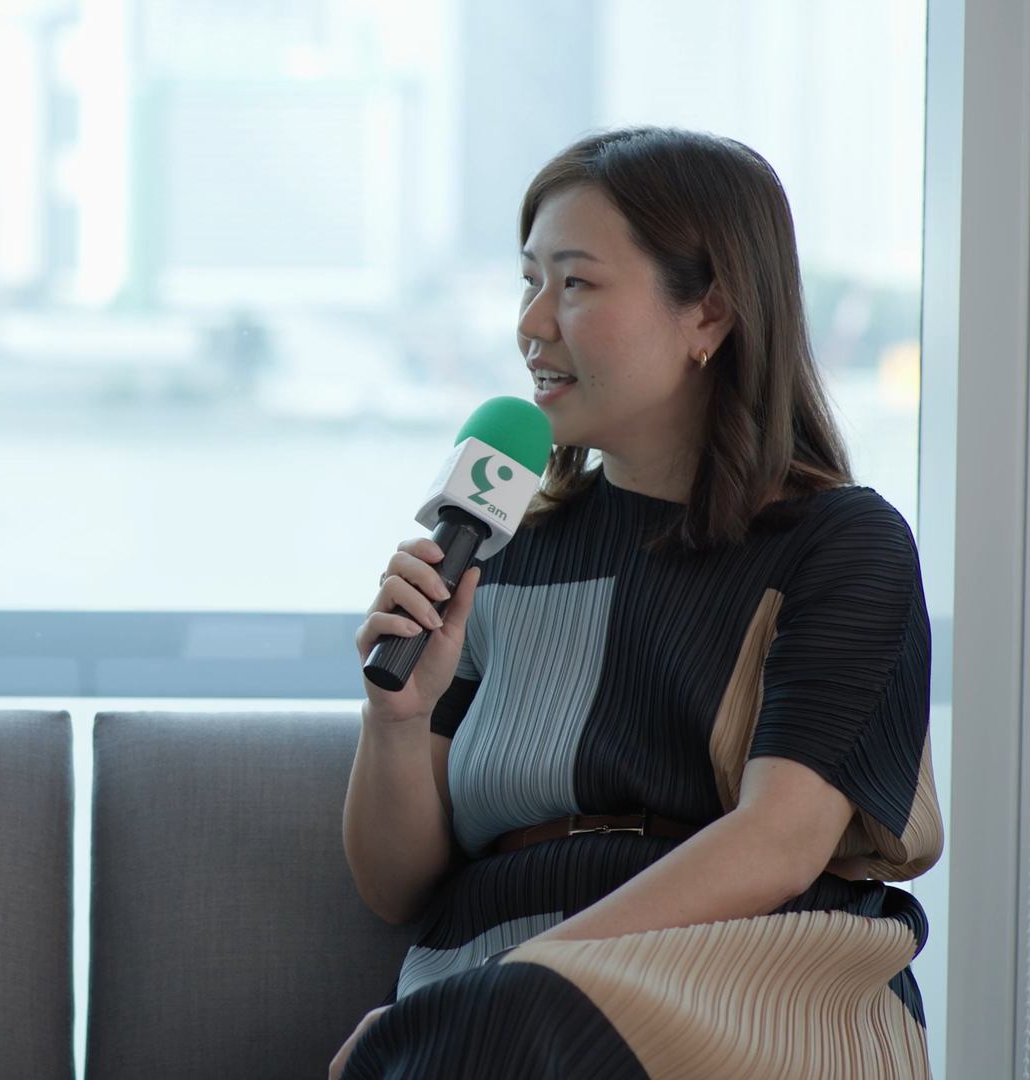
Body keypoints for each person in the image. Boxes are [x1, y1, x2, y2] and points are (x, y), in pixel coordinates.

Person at [332, 128, 939, 1079]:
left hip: (746, 982)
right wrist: (397, 723)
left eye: (573, 285)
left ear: (711, 313)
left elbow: (781, 840)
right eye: (527, 282)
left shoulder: (841, 542)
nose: (532, 325)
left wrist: (508, 985)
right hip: (498, 992)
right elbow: (398, 886)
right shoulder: (505, 545)